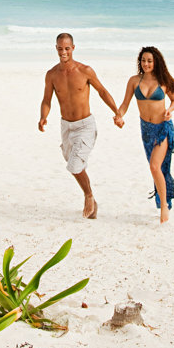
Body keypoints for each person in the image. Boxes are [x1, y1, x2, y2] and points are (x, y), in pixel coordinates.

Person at [39, 32, 123, 219]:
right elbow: (46, 100)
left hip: (85, 125)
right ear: (56, 48)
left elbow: (102, 91)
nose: (63, 52)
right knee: (74, 164)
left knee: (75, 165)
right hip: (66, 127)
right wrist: (43, 117)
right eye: (60, 48)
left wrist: (116, 112)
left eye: (67, 48)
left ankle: (88, 195)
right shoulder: (52, 74)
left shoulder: (85, 70)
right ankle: (93, 206)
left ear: (73, 48)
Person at [115, 45, 174, 223]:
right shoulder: (134, 81)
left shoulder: (164, 80)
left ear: (156, 62)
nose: (146, 63)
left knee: (155, 167)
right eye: (143, 60)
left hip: (162, 128)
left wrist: (170, 110)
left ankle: (164, 207)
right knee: (157, 169)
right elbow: (125, 104)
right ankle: (163, 200)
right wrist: (119, 115)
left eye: (149, 61)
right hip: (146, 130)